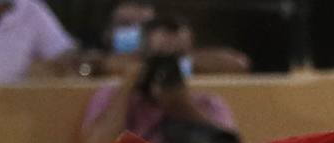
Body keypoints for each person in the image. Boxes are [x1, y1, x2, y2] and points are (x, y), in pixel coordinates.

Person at [79, 12, 239, 143]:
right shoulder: (112, 95)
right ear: (139, 55)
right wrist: (128, 85)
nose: (164, 68)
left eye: (175, 60)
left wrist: (184, 107)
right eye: (157, 60)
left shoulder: (208, 103)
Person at [98, 1, 250, 77]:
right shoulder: (94, 62)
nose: (137, 32)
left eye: (145, 26)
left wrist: (177, 55)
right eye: (127, 25)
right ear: (107, 32)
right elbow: (107, 66)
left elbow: (239, 64)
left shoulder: (184, 62)